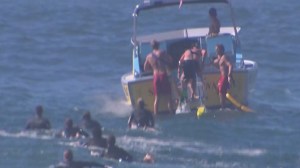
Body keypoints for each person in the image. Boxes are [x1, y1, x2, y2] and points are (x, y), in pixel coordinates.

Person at [144, 40, 174, 115]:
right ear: (158, 45)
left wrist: (153, 68)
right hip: (163, 75)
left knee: (157, 98)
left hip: (156, 76)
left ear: (152, 47)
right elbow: (171, 60)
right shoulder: (163, 53)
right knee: (169, 97)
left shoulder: (149, 56)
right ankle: (171, 113)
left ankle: (156, 115)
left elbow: (145, 68)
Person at [213, 44, 232, 110]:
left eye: (217, 50)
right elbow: (216, 62)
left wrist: (229, 75)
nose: (216, 51)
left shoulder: (224, 57)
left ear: (221, 50)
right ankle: (224, 105)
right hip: (221, 77)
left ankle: (223, 108)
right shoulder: (220, 57)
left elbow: (230, 65)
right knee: (219, 91)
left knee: (221, 92)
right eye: (216, 50)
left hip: (225, 77)